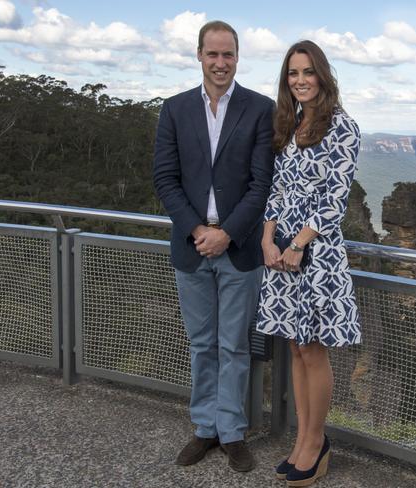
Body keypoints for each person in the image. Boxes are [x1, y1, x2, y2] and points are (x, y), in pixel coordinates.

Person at [153, 20, 274, 472]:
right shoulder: (175, 109)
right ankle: (205, 429)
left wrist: (227, 233)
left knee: (235, 346)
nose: (220, 63)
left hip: (239, 248)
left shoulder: (260, 109)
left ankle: (233, 431)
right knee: (202, 344)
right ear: (199, 56)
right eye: (212, 54)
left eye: (228, 55)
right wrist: (196, 231)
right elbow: (165, 179)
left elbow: (262, 183)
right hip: (192, 247)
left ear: (238, 57)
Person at [256, 40, 362, 486]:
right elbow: (278, 189)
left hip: (316, 255)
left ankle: (316, 444)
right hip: (281, 253)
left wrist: (298, 243)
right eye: (292, 73)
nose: (299, 80)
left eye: (307, 72)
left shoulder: (343, 127)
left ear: (322, 75)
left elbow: (335, 199)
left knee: (314, 351)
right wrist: (267, 238)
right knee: (296, 348)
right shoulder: (292, 124)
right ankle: (302, 440)